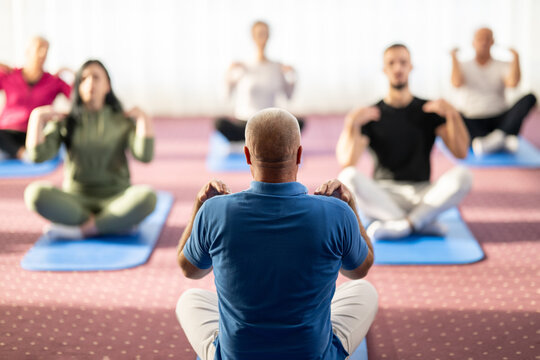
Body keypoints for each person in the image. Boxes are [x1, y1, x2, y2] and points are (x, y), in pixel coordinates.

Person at [176, 108, 377, 360]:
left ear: (247, 155)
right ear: (299, 154)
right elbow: (358, 270)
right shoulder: (336, 212)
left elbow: (190, 270)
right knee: (364, 291)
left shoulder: (215, 211)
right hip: (311, 355)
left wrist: (198, 208)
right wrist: (351, 207)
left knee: (190, 299)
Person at [336, 44, 473, 241]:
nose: (398, 68)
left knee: (464, 175)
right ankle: (421, 221)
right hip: (384, 195)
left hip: (423, 193)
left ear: (411, 67)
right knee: (347, 176)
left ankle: (405, 224)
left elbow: (461, 153)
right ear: (385, 69)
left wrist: (453, 115)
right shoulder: (373, 114)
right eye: (392, 63)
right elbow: (347, 162)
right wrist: (351, 124)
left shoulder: (428, 110)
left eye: (403, 63)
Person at [24, 60, 156, 239]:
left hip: (116, 198)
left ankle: (84, 229)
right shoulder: (65, 120)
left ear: (107, 85)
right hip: (76, 201)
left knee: (147, 197)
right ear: (78, 86)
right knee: (34, 193)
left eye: (96, 77)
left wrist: (143, 119)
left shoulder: (121, 120)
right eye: (84, 78)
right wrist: (36, 118)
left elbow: (145, 156)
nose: (90, 83)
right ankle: (111, 224)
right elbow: (37, 156)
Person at [450, 27, 537, 156]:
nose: (484, 42)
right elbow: (456, 83)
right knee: (451, 111)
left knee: (530, 97)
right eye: (480, 39)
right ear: (473, 43)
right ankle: (501, 139)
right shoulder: (464, 65)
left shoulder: (501, 64)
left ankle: (497, 138)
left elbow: (513, 83)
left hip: (499, 120)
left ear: (493, 42)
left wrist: (516, 57)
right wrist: (454, 58)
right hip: (474, 120)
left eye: (487, 39)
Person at [215, 21, 304, 144]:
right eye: (259, 34)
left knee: (297, 123)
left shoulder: (277, 67)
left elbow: (289, 96)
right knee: (219, 123)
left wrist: (292, 75)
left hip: (268, 122)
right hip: (245, 122)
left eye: (265, 34)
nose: (262, 37)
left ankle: (261, 139)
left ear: (269, 36)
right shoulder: (243, 66)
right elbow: (226, 95)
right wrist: (229, 73)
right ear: (253, 37)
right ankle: (258, 139)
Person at [0, 36, 72, 160]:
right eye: (39, 48)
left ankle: (24, 153)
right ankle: (23, 154)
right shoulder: (10, 76)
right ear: (27, 52)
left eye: (46, 49)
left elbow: (78, 98)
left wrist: (70, 72)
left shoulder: (53, 81)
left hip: (36, 133)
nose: (43, 53)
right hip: (7, 132)